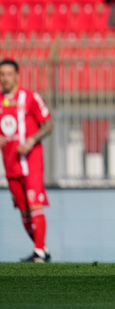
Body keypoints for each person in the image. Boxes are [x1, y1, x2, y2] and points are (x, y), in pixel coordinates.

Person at [0, 59, 53, 262]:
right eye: (2, 74)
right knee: (23, 211)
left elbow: (48, 124)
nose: (5, 78)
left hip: (31, 160)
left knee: (33, 204)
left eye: (8, 74)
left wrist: (31, 140)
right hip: (10, 164)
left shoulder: (30, 97)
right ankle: (42, 248)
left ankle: (39, 252)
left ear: (17, 76)